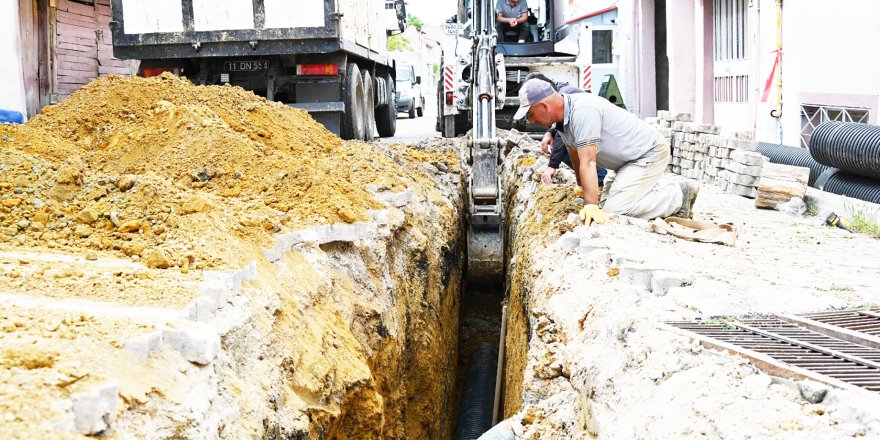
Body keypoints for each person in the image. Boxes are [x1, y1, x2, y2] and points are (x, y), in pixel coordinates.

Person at [513, 78, 699, 225]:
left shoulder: (582, 111)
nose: (532, 121)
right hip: (624, 164)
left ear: (544, 107)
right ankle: (647, 191)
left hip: (647, 153)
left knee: (615, 209)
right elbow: (575, 153)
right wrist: (581, 187)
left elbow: (588, 161)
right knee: (606, 204)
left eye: (531, 114)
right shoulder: (562, 120)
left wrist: (590, 206)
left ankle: (678, 195)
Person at [523, 72, 607, 186]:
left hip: (599, 140)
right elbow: (559, 125)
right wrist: (549, 132)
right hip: (593, 137)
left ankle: (600, 179)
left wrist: (552, 165)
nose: (532, 121)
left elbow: (562, 133)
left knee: (567, 147)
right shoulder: (561, 93)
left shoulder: (567, 93)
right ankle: (588, 182)